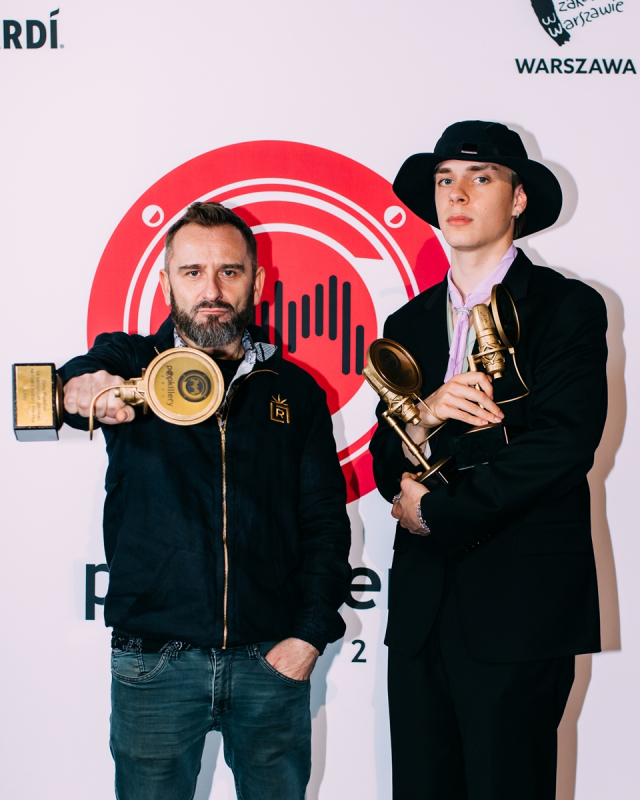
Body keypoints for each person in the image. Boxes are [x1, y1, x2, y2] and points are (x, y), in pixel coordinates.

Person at [59, 201, 352, 800]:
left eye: (229, 271)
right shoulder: (131, 364)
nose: (211, 290)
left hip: (271, 662)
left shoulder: (296, 390)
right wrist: (82, 388)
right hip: (153, 664)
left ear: (257, 282)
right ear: (166, 282)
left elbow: (325, 522)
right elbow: (81, 376)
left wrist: (307, 638)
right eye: (192, 272)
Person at [370, 120, 607, 800]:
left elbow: (562, 446)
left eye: (481, 177)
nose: (458, 193)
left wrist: (439, 511)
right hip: (422, 613)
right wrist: (425, 414)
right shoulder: (407, 324)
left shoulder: (567, 307)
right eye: (445, 178)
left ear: (518, 198)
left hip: (520, 607)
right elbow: (387, 459)